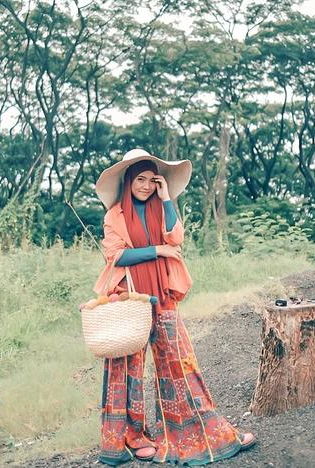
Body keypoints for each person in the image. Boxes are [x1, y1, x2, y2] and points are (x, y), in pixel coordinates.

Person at [87, 148, 256, 465]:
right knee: (126, 371)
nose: (146, 186)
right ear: (128, 181)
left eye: (152, 180)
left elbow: (176, 237)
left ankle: (200, 433)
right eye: (140, 179)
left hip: (162, 296)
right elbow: (116, 255)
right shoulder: (114, 215)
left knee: (179, 365)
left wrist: (166, 198)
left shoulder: (160, 206)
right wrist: (159, 250)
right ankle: (131, 440)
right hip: (131, 299)